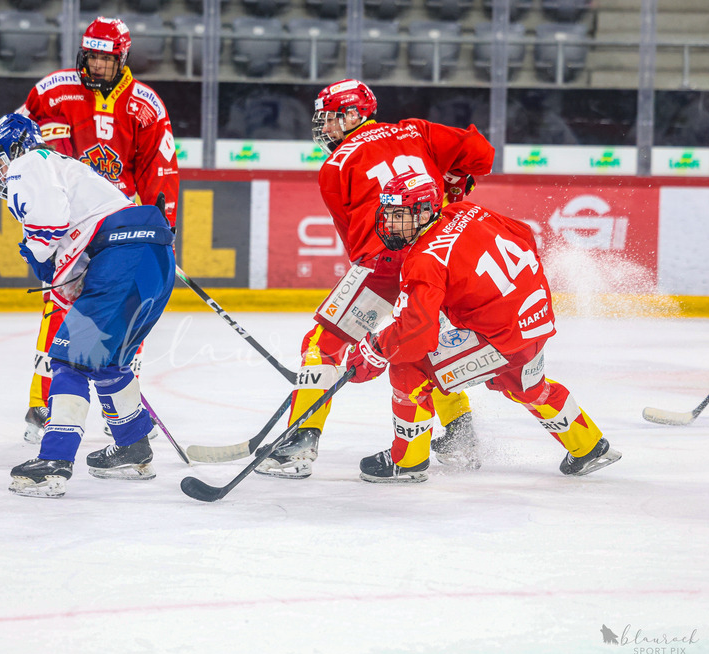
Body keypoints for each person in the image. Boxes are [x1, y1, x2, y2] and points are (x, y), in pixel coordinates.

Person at [256, 79, 496, 479]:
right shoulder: (415, 129)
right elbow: (482, 154)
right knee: (423, 342)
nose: (324, 130)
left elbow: (356, 244)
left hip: (384, 263)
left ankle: (298, 445)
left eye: (330, 120)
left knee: (324, 342)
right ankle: (459, 434)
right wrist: (455, 181)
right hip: (439, 254)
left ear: (353, 115)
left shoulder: (335, 166)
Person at [344, 171, 621, 483]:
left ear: (423, 211)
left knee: (410, 366)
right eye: (388, 213)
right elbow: (524, 234)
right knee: (526, 385)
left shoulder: (423, 259)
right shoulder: (465, 211)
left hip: (500, 335)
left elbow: (417, 333)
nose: (390, 223)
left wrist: (377, 350)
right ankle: (589, 446)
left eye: (398, 214)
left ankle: (408, 460)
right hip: (535, 317)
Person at [0, 114, 175, 498]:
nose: (1, 172)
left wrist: (37, 252)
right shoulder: (72, 172)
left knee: (69, 360)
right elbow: (77, 259)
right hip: (152, 256)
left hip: (123, 256)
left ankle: (54, 462)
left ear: (16, 148)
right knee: (108, 362)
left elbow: (48, 227)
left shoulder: (30, 163)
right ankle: (132, 447)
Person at [16, 16, 179, 444]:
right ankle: (43, 406)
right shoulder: (52, 91)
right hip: (68, 225)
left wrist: (161, 231)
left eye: (106, 59)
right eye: (91, 57)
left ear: (122, 58)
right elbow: (17, 142)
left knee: (123, 320)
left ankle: (117, 413)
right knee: (59, 312)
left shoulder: (145, 105)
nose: (96, 66)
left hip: (119, 230)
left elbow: (159, 172)